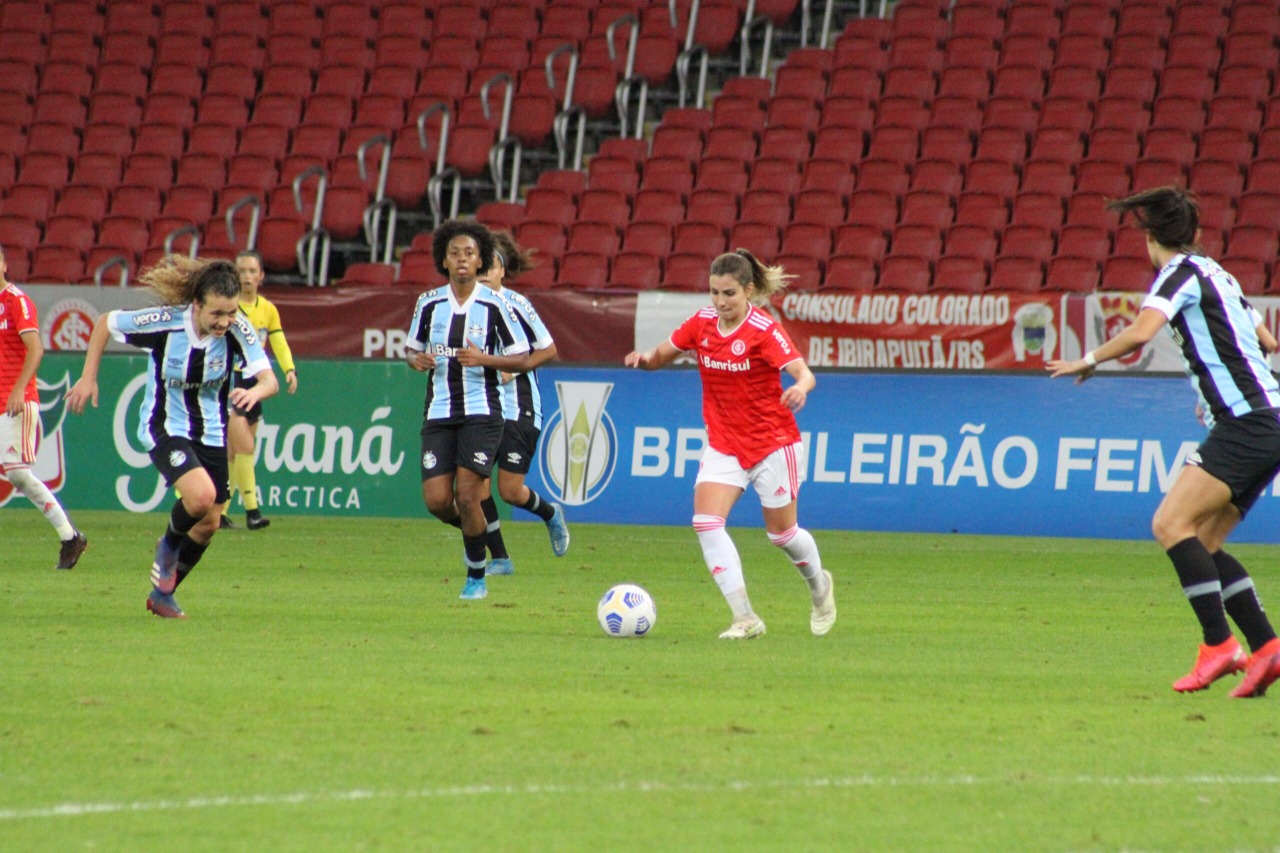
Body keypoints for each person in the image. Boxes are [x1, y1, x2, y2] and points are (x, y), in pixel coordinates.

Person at [1048, 186, 1280, 698]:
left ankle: (1219, 645)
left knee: (1170, 524)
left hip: (1246, 421)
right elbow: (1267, 339)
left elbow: (1139, 333)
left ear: (1150, 237)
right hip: (1269, 417)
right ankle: (1265, 648)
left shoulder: (1178, 275)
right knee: (1206, 541)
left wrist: (1087, 360)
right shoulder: (1219, 272)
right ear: (1193, 233)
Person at [624, 249, 836, 639]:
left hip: (773, 443)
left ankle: (820, 588)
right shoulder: (702, 323)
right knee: (706, 522)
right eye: (714, 293)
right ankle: (745, 618)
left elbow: (804, 374)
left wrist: (800, 390)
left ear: (748, 291)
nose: (720, 302)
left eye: (729, 294)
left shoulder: (763, 329)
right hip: (724, 443)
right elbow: (661, 356)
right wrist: (644, 358)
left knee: (782, 535)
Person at [66, 255, 278, 618]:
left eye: (231, 313)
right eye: (218, 314)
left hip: (211, 431)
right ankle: (167, 549)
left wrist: (255, 393)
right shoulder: (166, 323)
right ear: (197, 305)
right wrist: (88, 377)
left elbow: (268, 379)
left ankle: (164, 593)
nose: (226, 322)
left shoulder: (237, 329)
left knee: (210, 523)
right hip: (165, 425)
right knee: (200, 497)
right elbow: (104, 323)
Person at [404, 220, 536, 601]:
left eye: (469, 254)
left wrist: (484, 359)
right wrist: (415, 361)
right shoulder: (428, 303)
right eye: (454, 254)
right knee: (437, 502)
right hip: (439, 412)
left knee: (468, 495)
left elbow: (521, 356)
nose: (462, 260)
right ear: (443, 261)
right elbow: (410, 349)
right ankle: (475, 536)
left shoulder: (495, 304)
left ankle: (476, 576)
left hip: (482, 411)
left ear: (480, 261)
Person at [475, 230, 569, 576]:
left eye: (492, 265)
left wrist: (515, 370)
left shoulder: (516, 304)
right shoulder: (465, 308)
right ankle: (500, 559)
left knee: (511, 491)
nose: (485, 272)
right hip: (481, 409)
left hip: (518, 407)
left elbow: (549, 348)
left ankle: (550, 513)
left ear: (503, 271)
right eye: (479, 264)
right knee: (474, 486)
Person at [0, 245, 87, 569]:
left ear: (5, 264)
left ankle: (70, 537)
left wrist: (19, 390)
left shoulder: (16, 302)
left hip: (13, 403)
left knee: (19, 474)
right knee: (17, 474)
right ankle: (69, 538)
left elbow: (35, 350)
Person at [222, 250, 298, 531]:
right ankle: (252, 511)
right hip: (233, 384)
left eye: (252, 271)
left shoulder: (267, 309)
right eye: (241, 271)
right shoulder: (227, 308)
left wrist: (289, 369)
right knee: (245, 446)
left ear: (261, 275)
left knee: (234, 454)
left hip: (258, 385)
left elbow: (278, 342)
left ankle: (220, 512)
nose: (246, 277)